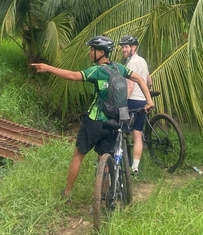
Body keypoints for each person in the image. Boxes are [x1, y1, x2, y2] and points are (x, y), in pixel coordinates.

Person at [31, 35, 154, 200]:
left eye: (92, 50)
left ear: (101, 52)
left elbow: (73, 76)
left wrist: (48, 68)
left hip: (95, 121)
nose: (89, 53)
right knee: (105, 159)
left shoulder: (97, 70)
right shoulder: (119, 68)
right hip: (114, 121)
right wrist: (149, 101)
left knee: (78, 154)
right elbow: (139, 78)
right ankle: (103, 196)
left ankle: (67, 193)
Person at [118, 35, 151, 177]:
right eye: (122, 47)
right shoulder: (142, 61)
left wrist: (121, 102)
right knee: (137, 134)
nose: (123, 50)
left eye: (126, 47)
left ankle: (118, 161)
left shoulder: (131, 63)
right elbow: (149, 81)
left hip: (132, 102)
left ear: (134, 47)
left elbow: (130, 87)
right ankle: (135, 168)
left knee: (120, 130)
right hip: (143, 102)